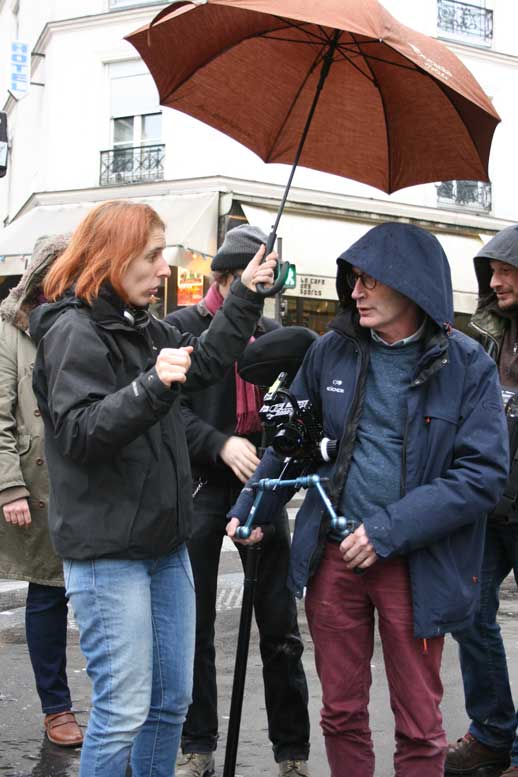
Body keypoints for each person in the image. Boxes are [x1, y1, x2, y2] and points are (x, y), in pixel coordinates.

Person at [226, 222, 509, 777]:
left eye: (369, 281)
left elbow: (482, 476)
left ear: (412, 286)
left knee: (420, 726)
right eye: (353, 280)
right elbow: (291, 440)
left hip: (415, 565)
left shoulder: (467, 364)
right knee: (341, 713)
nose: (354, 292)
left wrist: (386, 532)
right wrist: (250, 507)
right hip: (333, 558)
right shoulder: (332, 351)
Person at [28, 200, 276, 777]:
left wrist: (246, 293)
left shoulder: (144, 326)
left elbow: (209, 362)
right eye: (152, 255)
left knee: (168, 705)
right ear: (113, 257)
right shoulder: (72, 331)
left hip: (165, 546)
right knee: (122, 712)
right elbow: (80, 433)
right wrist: (150, 388)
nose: (164, 268)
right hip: (108, 552)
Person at [166, 225, 311, 777]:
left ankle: (291, 752)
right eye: (251, 279)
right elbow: (167, 411)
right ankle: (197, 744)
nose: (261, 289)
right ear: (224, 279)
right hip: (203, 486)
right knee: (196, 624)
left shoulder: (272, 332)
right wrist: (218, 442)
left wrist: (273, 455)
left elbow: (293, 416)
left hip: (263, 487)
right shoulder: (181, 327)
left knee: (280, 626)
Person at [0, 234, 83, 748]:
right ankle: (56, 707)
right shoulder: (10, 332)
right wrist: (9, 486)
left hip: (88, 481)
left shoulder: (90, 321)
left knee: (97, 595)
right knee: (48, 593)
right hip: (36, 484)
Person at [446, 224, 518, 777]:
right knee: (470, 613)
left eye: (506, 269)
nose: (495, 281)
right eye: (490, 272)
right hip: (490, 506)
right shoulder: (489, 336)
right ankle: (494, 733)